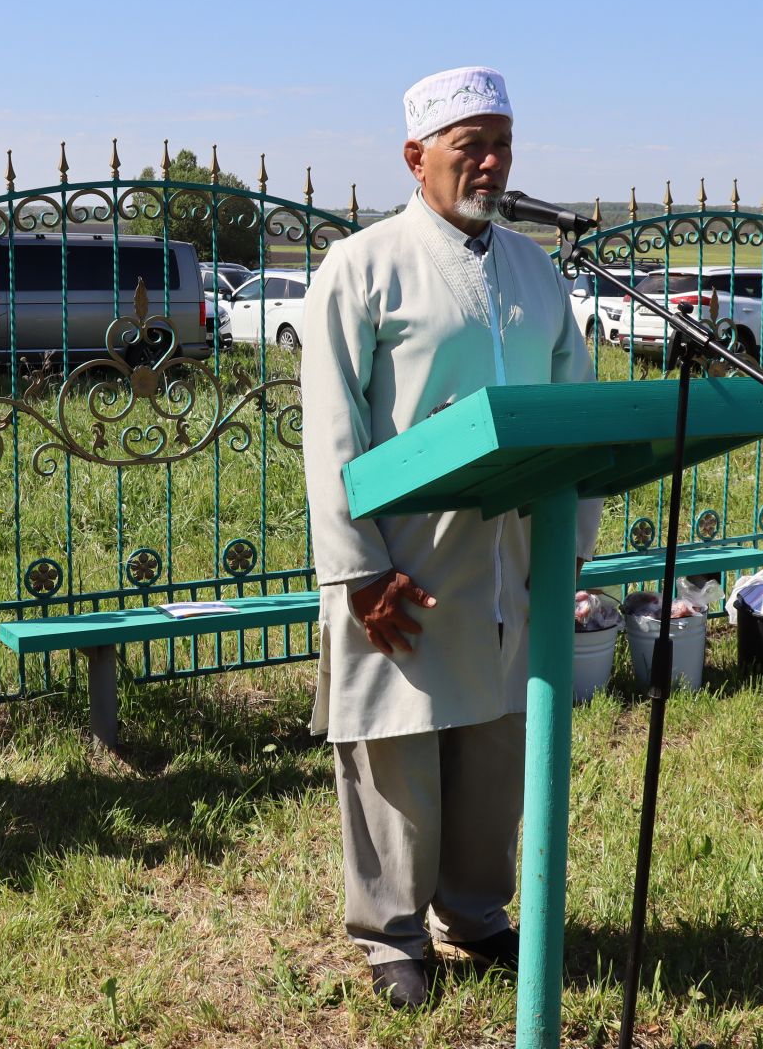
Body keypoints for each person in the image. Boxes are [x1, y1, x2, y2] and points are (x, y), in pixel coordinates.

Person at [299, 67, 604, 1008]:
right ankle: (391, 934)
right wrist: (358, 567)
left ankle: (473, 913)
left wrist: (569, 546)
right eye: (469, 146)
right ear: (415, 157)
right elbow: (332, 427)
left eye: (501, 144)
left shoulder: (532, 268)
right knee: (399, 753)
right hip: (401, 565)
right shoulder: (362, 266)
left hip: (509, 558)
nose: (491, 163)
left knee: (493, 747)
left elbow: (578, 411)